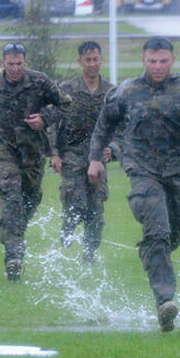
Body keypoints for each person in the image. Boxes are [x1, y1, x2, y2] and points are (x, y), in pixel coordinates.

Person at [88, 37, 180, 332]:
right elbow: (104, 125)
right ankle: (165, 301)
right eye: (152, 61)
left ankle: (153, 252)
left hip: (179, 172)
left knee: (175, 231)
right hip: (141, 170)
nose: (157, 67)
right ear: (143, 60)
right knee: (157, 231)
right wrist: (95, 159)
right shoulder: (127, 91)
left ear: (172, 61)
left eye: (163, 61)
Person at [0, 42, 71, 281]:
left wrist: (45, 118)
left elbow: (65, 105)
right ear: (3, 63)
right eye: (11, 64)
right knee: (11, 192)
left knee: (30, 197)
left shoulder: (40, 81)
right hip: (7, 150)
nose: (15, 68)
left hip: (34, 151)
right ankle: (14, 255)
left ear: (25, 63)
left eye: (19, 63)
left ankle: (12, 229)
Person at [50, 41, 115, 264]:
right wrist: (54, 153)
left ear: (101, 60)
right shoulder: (66, 90)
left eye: (95, 59)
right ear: (80, 61)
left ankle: (89, 253)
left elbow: (123, 127)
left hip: (97, 157)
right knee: (76, 200)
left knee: (96, 209)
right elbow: (52, 122)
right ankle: (68, 225)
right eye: (87, 60)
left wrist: (113, 148)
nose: (92, 64)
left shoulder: (111, 93)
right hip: (72, 153)